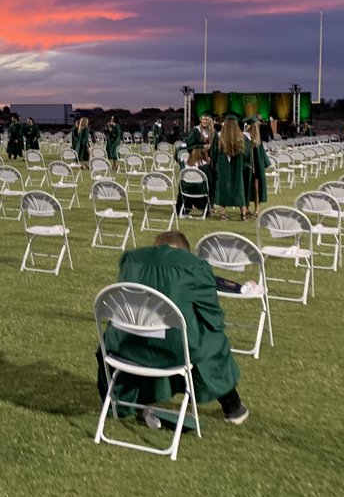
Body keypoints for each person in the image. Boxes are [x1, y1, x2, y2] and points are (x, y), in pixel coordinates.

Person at [96, 230, 248, 425]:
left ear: (156, 245)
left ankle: (122, 402)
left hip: (125, 346)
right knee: (212, 341)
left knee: (172, 336)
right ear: (184, 250)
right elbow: (212, 315)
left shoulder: (130, 260)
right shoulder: (195, 267)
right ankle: (232, 406)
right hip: (174, 350)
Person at [210, 114, 249, 220]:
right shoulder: (242, 138)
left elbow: (213, 153)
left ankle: (223, 214)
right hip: (237, 168)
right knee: (239, 188)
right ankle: (243, 214)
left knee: (223, 188)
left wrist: (215, 163)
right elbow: (247, 155)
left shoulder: (219, 137)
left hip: (223, 167)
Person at [243, 117, 270, 217]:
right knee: (246, 187)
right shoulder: (244, 137)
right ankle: (246, 207)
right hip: (247, 167)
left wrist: (265, 164)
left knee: (256, 188)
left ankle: (257, 207)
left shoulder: (258, 138)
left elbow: (261, 152)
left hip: (256, 167)